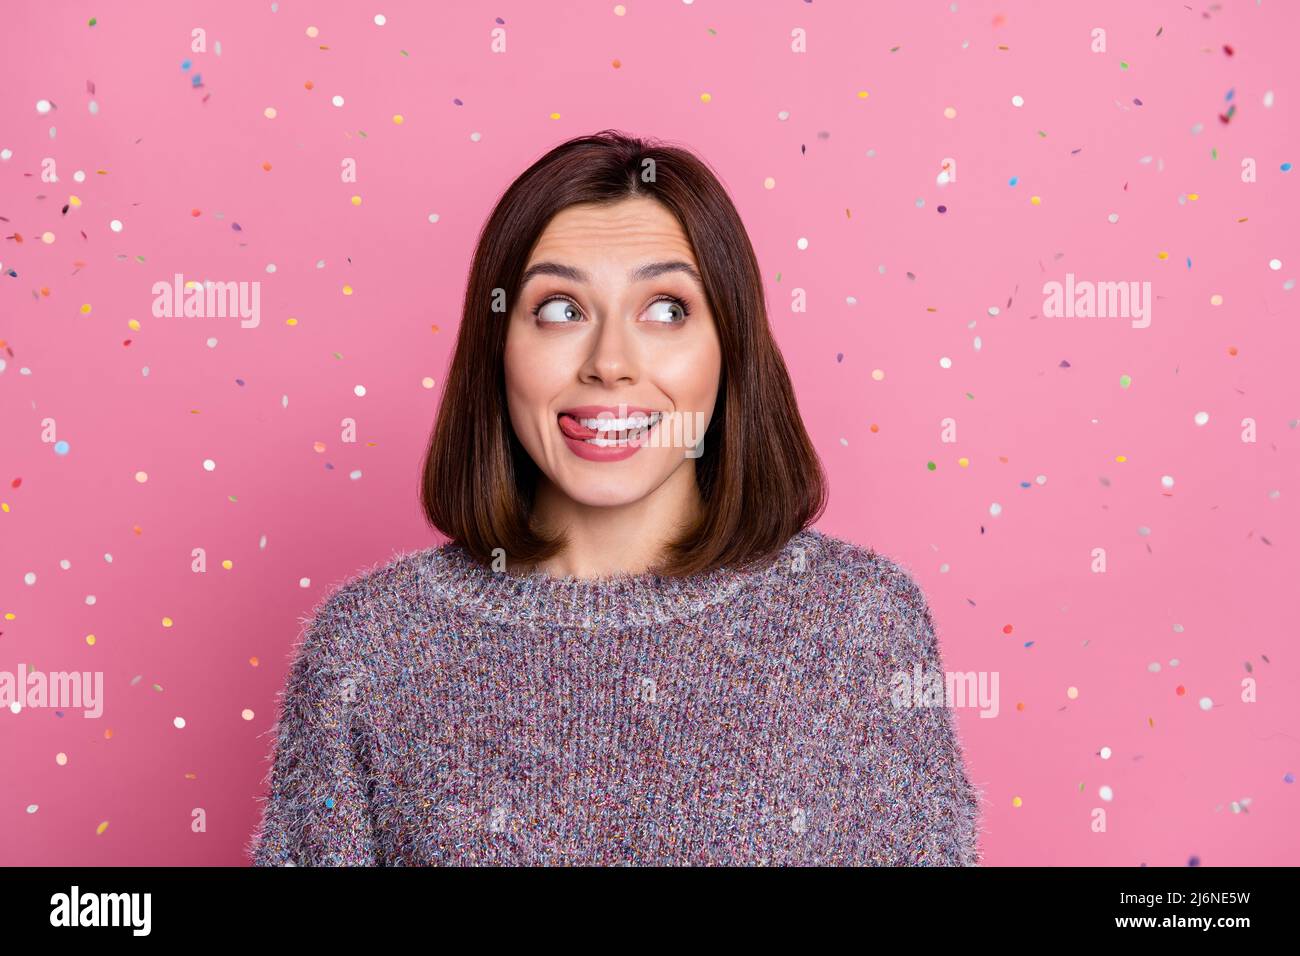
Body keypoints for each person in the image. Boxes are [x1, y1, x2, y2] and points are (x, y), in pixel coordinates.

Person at [248, 130, 982, 866]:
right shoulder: (369, 652)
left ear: (732, 351)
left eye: (665, 310)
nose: (609, 364)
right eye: (561, 309)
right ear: (497, 347)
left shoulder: (856, 625)